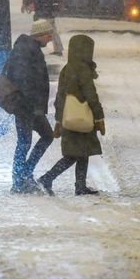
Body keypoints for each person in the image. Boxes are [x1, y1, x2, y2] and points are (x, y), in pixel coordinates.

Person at [37, 35, 106, 196]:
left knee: (80, 153)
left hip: (69, 118)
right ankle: (48, 178)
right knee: (75, 155)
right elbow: (91, 95)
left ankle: (79, 186)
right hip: (82, 118)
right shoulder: (83, 70)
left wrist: (59, 120)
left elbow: (60, 97)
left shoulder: (67, 69)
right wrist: (99, 117)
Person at [4, 19, 56, 193]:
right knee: (25, 142)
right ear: (40, 34)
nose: (51, 37)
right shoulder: (27, 50)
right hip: (26, 107)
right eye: (49, 33)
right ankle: (18, 181)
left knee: (44, 136)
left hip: (31, 106)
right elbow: (23, 79)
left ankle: (24, 175)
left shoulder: (31, 49)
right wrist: (29, 104)